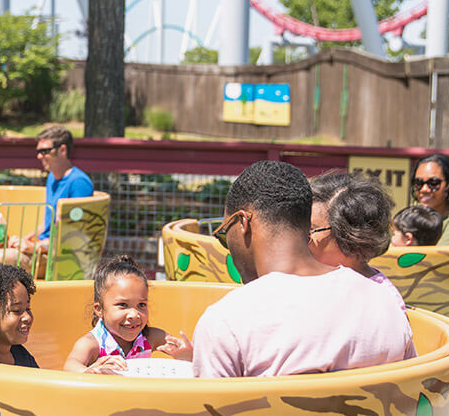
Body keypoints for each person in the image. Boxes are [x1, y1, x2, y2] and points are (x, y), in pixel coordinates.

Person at [172, 161, 414, 378]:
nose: (229, 247)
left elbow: (210, 413)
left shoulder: (225, 322)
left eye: (225, 235)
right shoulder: (385, 304)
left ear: (243, 222)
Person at [0, 126, 93, 271]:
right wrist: (24, 239)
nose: (39, 156)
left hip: (59, 257)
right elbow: (47, 222)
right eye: (38, 151)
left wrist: (35, 246)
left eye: (44, 151)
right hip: (43, 248)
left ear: (62, 150)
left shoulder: (79, 183)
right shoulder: (52, 178)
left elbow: (73, 235)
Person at [63, 256, 186, 374]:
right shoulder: (92, 344)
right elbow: (70, 366)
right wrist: (89, 371)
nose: (134, 314)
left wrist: (186, 355)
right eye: (122, 304)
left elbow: (187, 352)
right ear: (99, 309)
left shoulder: (150, 337)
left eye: (141, 305)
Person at [308, 171, 404, 308]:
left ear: (352, 237)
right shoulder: (319, 282)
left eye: (310, 231)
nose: (299, 239)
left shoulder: (379, 301)